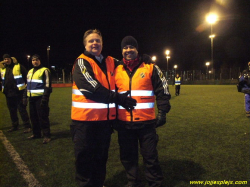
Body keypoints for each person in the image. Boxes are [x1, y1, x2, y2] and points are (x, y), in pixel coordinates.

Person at [70, 29, 136, 187]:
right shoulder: (82, 62)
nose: (95, 43)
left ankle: (99, 184)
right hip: (84, 122)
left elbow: (129, 64)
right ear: (85, 44)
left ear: (102, 44)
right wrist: (120, 99)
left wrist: (141, 59)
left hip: (104, 123)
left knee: (101, 158)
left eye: (97, 40)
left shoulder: (110, 61)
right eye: (91, 41)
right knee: (85, 158)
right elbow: (92, 90)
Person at [114, 36, 171, 187]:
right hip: (125, 124)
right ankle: (133, 182)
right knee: (128, 157)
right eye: (125, 47)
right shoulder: (116, 69)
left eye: (131, 47)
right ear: (122, 50)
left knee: (150, 156)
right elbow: (112, 94)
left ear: (137, 49)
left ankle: (155, 183)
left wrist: (163, 112)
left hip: (147, 124)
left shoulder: (150, 67)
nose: (128, 50)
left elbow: (163, 90)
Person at [25, 54, 52, 144]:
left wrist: (45, 97)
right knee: (33, 117)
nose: (35, 61)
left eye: (36, 60)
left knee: (43, 117)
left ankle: (47, 135)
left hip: (40, 98)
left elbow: (47, 85)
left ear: (40, 61)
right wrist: (25, 97)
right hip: (31, 98)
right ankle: (36, 134)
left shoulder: (45, 70)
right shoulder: (30, 71)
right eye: (33, 60)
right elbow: (27, 85)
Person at [0, 54, 31, 133]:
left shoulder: (19, 66)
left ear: (11, 59)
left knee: (22, 110)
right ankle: (15, 125)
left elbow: (27, 76)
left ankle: (27, 126)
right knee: (12, 110)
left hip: (18, 93)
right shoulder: (3, 69)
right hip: (8, 93)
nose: (6, 60)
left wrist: (25, 89)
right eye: (5, 59)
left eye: (8, 59)